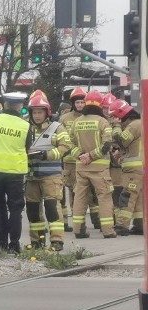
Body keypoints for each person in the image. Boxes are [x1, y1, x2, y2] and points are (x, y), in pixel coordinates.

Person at [0, 92, 33, 253]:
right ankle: (14, 244)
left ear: (5, 105)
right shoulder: (25, 126)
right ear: (20, 107)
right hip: (15, 173)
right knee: (16, 208)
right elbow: (27, 147)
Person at [25, 93, 73, 251]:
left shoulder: (57, 127)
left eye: (40, 112)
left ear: (47, 112)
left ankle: (57, 241)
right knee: (32, 211)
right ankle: (37, 241)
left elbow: (66, 147)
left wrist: (48, 154)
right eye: (34, 112)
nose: (37, 115)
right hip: (32, 176)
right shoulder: (26, 128)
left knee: (52, 208)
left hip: (51, 176)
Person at [68, 90, 116, 239]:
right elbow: (107, 145)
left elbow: (69, 143)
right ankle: (108, 230)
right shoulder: (103, 122)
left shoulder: (76, 122)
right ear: (100, 105)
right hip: (99, 168)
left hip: (81, 168)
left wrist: (81, 155)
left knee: (80, 198)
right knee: (104, 197)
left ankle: (78, 230)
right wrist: (91, 155)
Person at [60, 87, 99, 235]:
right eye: (77, 102)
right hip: (70, 162)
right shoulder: (65, 119)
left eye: (83, 102)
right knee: (74, 192)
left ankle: (96, 220)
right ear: (73, 103)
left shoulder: (92, 117)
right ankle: (79, 222)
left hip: (90, 161)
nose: (80, 105)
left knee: (92, 192)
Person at [108, 99, 144, 236]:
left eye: (114, 117)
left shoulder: (133, 125)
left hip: (133, 170)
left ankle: (122, 225)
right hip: (138, 168)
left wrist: (116, 127)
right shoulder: (139, 123)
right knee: (138, 197)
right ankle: (140, 225)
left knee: (127, 196)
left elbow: (122, 140)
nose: (113, 120)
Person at [101, 93, 124, 222]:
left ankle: (117, 218)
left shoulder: (120, 122)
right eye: (104, 107)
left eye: (109, 107)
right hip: (103, 162)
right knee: (104, 190)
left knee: (117, 189)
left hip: (115, 163)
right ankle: (108, 218)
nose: (107, 110)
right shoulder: (99, 121)